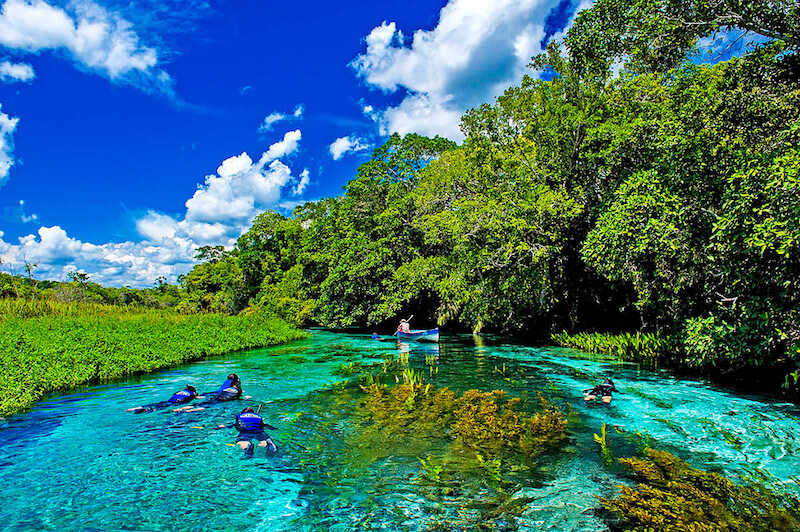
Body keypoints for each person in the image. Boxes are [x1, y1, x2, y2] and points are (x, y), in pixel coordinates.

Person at [174, 374, 244, 412]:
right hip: (219, 396)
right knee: (206, 407)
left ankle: (182, 408)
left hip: (216, 395)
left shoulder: (227, 382)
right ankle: (189, 411)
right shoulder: (234, 385)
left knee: (203, 403)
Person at [127, 385, 198, 413]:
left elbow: (174, 395)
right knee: (159, 408)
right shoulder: (192, 394)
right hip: (176, 402)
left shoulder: (180, 391)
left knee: (157, 404)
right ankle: (147, 410)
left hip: (169, 400)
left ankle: (134, 408)